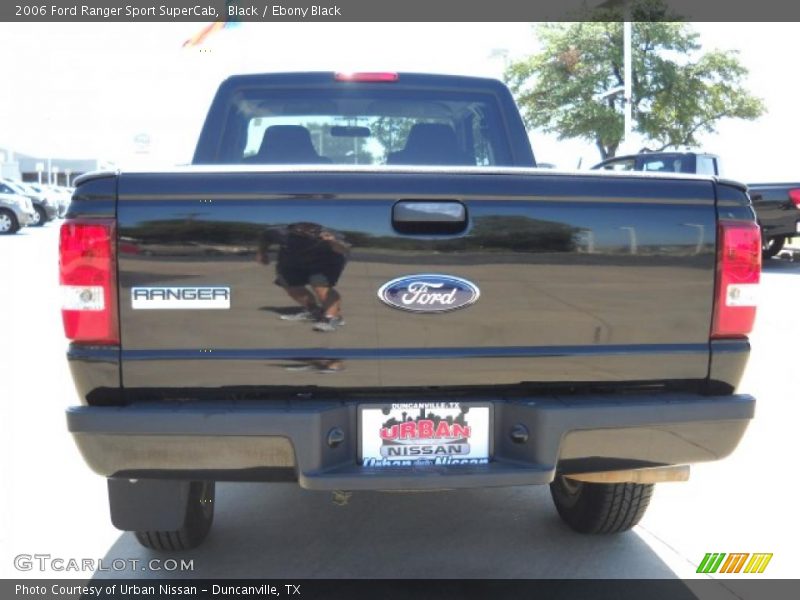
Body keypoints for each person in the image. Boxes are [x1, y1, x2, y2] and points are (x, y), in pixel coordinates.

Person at [257, 222, 349, 332]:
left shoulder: (331, 234)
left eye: (309, 235)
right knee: (290, 284)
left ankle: (333, 318)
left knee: (320, 286)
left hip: (326, 260)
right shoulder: (278, 232)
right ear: (290, 231)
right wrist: (262, 253)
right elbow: (265, 237)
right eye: (299, 235)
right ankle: (314, 312)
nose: (304, 237)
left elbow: (344, 249)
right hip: (292, 259)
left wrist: (332, 241)